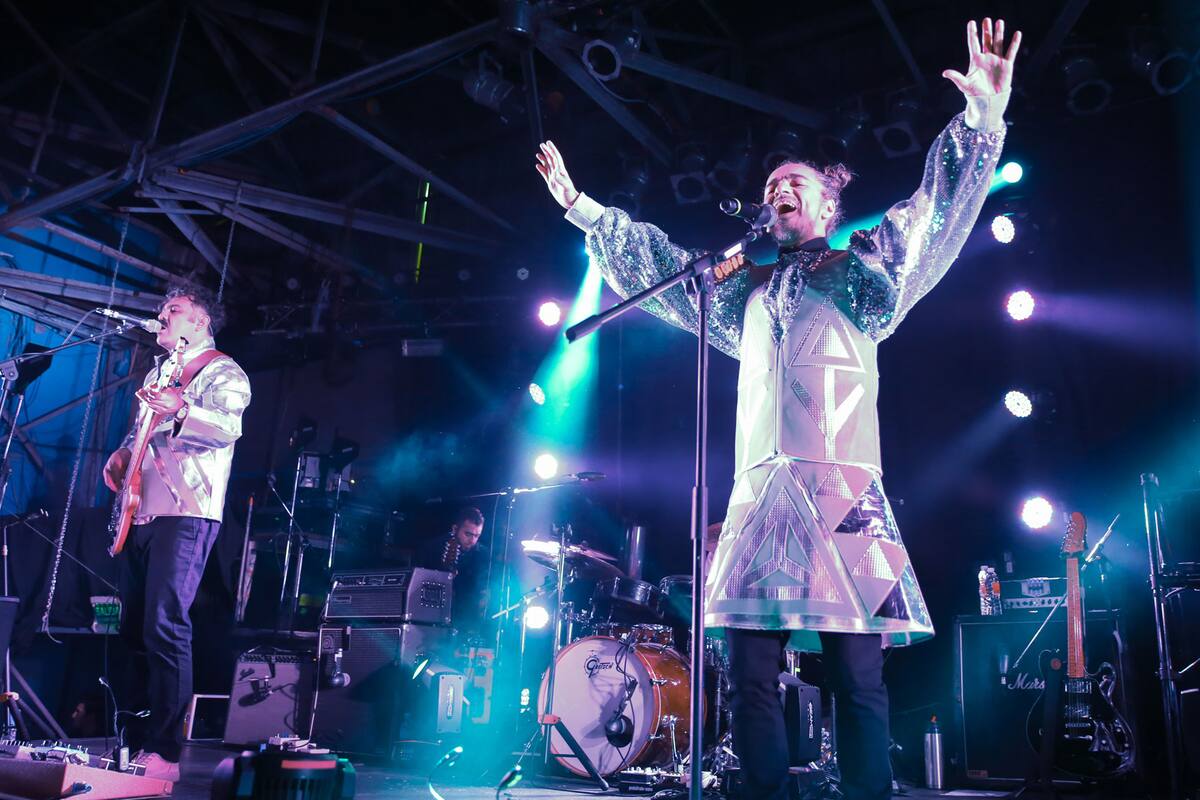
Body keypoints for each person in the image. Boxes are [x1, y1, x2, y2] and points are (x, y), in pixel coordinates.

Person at [536, 18, 1019, 800]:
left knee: (857, 682)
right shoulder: (744, 296)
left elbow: (932, 210)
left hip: (841, 498)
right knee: (748, 681)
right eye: (768, 189)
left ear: (829, 201)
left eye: (794, 183)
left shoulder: (866, 273)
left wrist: (982, 121)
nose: (777, 192)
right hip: (761, 502)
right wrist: (589, 212)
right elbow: (661, 265)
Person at [102, 285, 251, 782]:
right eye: (163, 309)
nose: (162, 315)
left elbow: (227, 428)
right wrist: (125, 454)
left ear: (202, 323)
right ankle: (131, 740)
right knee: (133, 626)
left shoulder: (223, 371)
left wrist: (181, 409)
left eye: (176, 310)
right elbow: (142, 428)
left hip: (187, 511)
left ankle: (165, 750)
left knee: (166, 623)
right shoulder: (158, 371)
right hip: (142, 509)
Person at [417, 506, 489, 633]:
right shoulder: (433, 548)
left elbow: (483, 590)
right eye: (468, 534)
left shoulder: (482, 554)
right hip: (431, 618)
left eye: (477, 536)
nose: (472, 540)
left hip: (466, 619)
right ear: (455, 529)